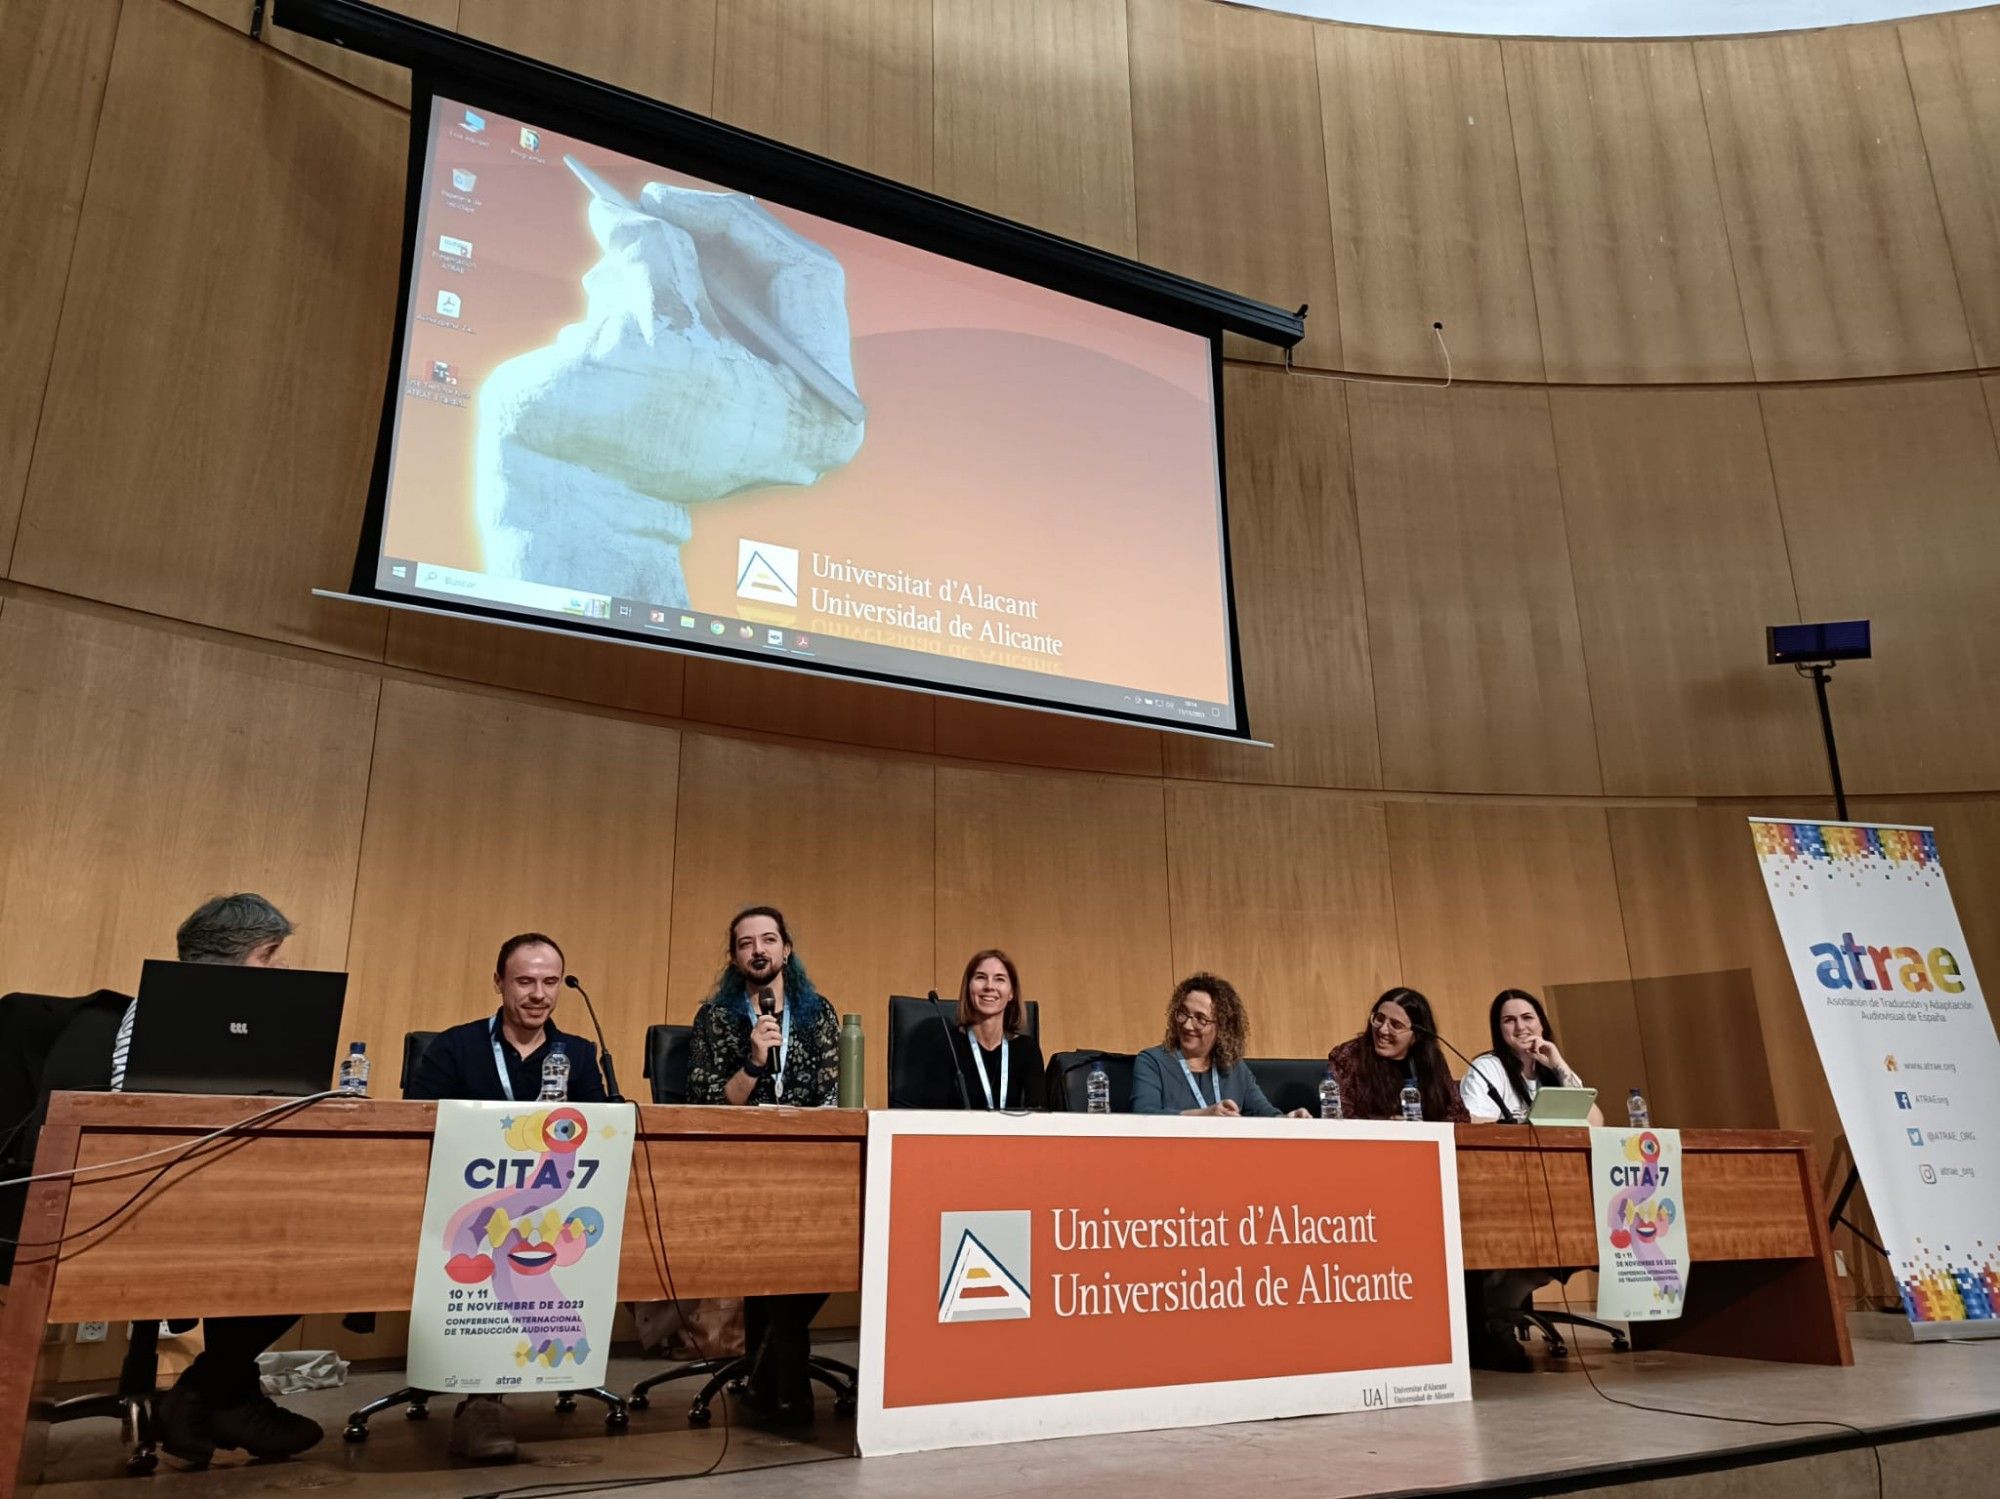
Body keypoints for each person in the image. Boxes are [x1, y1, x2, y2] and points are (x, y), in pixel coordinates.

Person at [133, 895, 324, 1467]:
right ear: (228, 961)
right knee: (290, 1255)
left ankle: (211, 1397)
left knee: (304, 1240)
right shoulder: (151, 1015)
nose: (283, 969)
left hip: (224, 1188)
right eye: (270, 956)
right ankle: (219, 1399)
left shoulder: (247, 1025)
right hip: (151, 1197)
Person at [404, 932, 605, 1462]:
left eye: (550, 981)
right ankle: (482, 1399)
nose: (539, 994)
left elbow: (599, 1137)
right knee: (500, 1251)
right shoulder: (455, 1046)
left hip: (551, 1210)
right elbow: (416, 1123)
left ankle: (495, 1392)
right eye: (524, 981)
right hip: (463, 1211)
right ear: (498, 982)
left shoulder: (579, 1055)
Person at [687, 907, 839, 1422]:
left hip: (807, 1164)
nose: (759, 950)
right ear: (735, 958)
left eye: (769, 939)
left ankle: (768, 1363)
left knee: (835, 1237)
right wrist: (753, 1061)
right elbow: (705, 1107)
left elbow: (831, 1097)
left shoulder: (818, 1013)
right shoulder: (716, 1019)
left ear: (786, 950)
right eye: (747, 942)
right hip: (737, 1167)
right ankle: (785, 1378)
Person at [1132, 974, 1308, 1118]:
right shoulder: (1153, 1061)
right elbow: (1143, 1114)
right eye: (1183, 1014)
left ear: (1222, 1027)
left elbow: (1265, 1113)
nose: (1187, 1025)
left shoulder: (1234, 1068)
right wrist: (1203, 1115)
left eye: (1200, 1019)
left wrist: (1288, 1119)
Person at [903, 950, 1046, 1110]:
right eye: (981, 977)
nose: (989, 986)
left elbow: (1038, 1116)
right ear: (968, 988)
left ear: (1011, 992)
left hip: (1010, 1134)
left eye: (999, 979)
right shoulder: (947, 1046)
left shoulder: (1027, 1049)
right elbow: (934, 1116)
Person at [1325, 987, 1470, 1124]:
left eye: (1395, 1025)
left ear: (1417, 1035)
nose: (1382, 1030)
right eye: (1379, 1018)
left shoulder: (1431, 1061)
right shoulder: (1349, 1056)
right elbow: (1338, 1119)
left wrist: (1420, 1128)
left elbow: (1459, 1119)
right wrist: (1389, 1127)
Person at [1461, 989, 1603, 1127]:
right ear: (1499, 1030)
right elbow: (1473, 1123)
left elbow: (1595, 1123)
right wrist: (1526, 1128)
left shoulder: (1553, 1067)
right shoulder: (1487, 1067)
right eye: (1509, 1020)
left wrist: (1558, 1064)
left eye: (1527, 1017)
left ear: (1542, 1024)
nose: (1520, 1027)